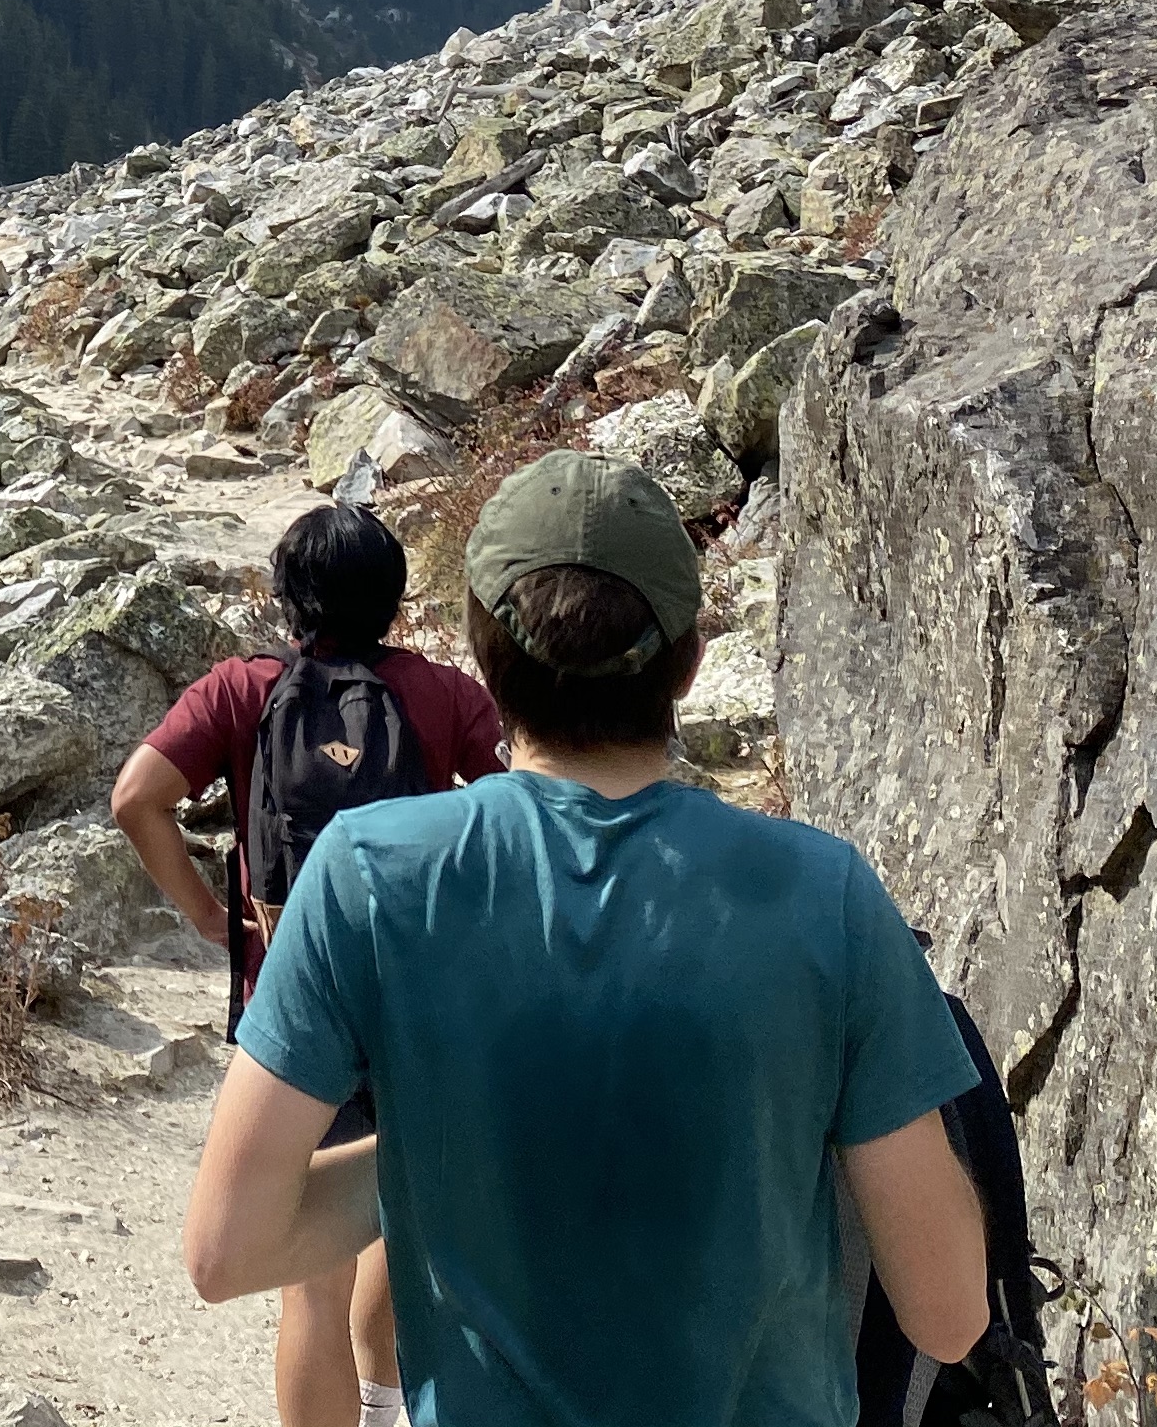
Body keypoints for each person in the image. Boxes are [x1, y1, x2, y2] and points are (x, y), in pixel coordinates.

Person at [178, 453, 994, 1427]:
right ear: (688, 662)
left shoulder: (370, 875)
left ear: (482, 657)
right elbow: (948, 1318)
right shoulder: (827, 894)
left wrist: (448, 1150)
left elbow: (229, 1250)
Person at [111, 502, 501, 1427]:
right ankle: (384, 1405)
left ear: (289, 597)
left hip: (292, 1011)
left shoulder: (243, 689)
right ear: (395, 597)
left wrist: (210, 915)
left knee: (308, 1287)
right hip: (417, 1012)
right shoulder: (444, 695)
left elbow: (137, 799)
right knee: (396, 1217)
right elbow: (523, 817)